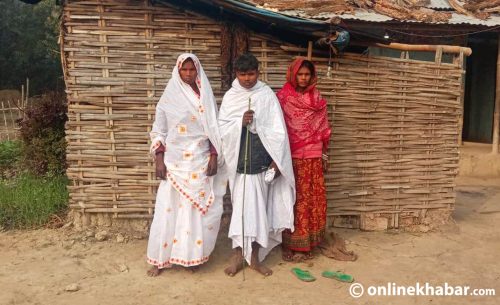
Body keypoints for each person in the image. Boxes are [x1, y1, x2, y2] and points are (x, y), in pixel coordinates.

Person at [146, 53, 227, 276]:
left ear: (197, 71)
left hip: (199, 162)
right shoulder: (169, 97)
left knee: (195, 213)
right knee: (167, 210)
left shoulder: (205, 98)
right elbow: (159, 130)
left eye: (193, 70)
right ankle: (161, 260)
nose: (189, 74)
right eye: (185, 70)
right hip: (174, 164)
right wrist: (159, 159)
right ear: (178, 70)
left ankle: (192, 257)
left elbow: (213, 130)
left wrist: (213, 155)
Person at [218, 53, 295, 277]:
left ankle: (254, 257)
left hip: (261, 163)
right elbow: (221, 129)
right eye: (243, 74)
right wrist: (239, 122)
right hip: (240, 165)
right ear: (236, 74)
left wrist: (276, 161)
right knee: (240, 211)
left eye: (251, 74)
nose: (247, 79)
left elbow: (278, 131)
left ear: (258, 73)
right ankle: (237, 256)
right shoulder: (232, 97)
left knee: (260, 211)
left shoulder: (266, 95)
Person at [277, 58, 331, 262]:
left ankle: (308, 243)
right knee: (291, 199)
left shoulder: (317, 99)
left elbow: (324, 127)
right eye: (300, 74)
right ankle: (290, 243)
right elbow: (276, 126)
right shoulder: (282, 98)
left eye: (307, 74)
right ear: (293, 74)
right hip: (290, 156)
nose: (303, 78)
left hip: (313, 155)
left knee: (311, 199)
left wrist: (325, 153)